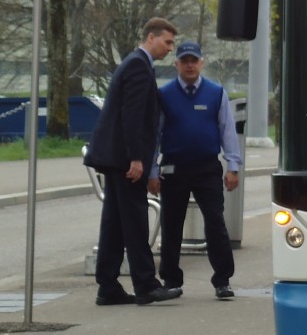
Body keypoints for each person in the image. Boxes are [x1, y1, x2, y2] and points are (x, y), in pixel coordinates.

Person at [84, 17, 182, 306]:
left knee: (114, 223)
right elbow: (133, 117)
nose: (169, 48)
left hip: (114, 158)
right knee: (136, 220)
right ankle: (146, 284)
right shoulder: (139, 67)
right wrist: (137, 158)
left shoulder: (132, 63)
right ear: (151, 38)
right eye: (167, 42)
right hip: (126, 160)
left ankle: (108, 285)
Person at [148, 40, 242, 300]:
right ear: (176, 64)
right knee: (171, 225)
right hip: (174, 168)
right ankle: (170, 280)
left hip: (207, 167)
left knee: (215, 222)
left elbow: (228, 132)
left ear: (201, 63)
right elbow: (155, 135)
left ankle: (222, 280)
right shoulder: (164, 95)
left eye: (194, 60)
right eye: (184, 61)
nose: (190, 65)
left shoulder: (216, 93)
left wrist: (233, 166)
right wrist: (152, 172)